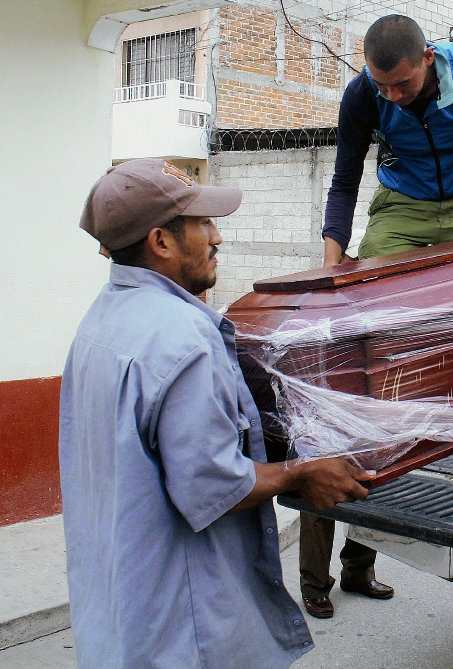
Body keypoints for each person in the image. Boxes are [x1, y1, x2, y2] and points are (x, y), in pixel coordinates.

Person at [61, 158, 373, 669]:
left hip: (120, 617)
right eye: (202, 224)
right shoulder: (183, 337)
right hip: (186, 631)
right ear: (161, 242)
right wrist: (300, 475)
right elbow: (211, 486)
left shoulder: (97, 323)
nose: (217, 238)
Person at [301, 14, 453, 619]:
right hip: (402, 208)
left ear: (426, 58)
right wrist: (332, 267)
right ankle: (322, 575)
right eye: (381, 86)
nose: (391, 96)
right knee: (364, 359)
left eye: (401, 84)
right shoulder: (362, 92)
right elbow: (344, 182)